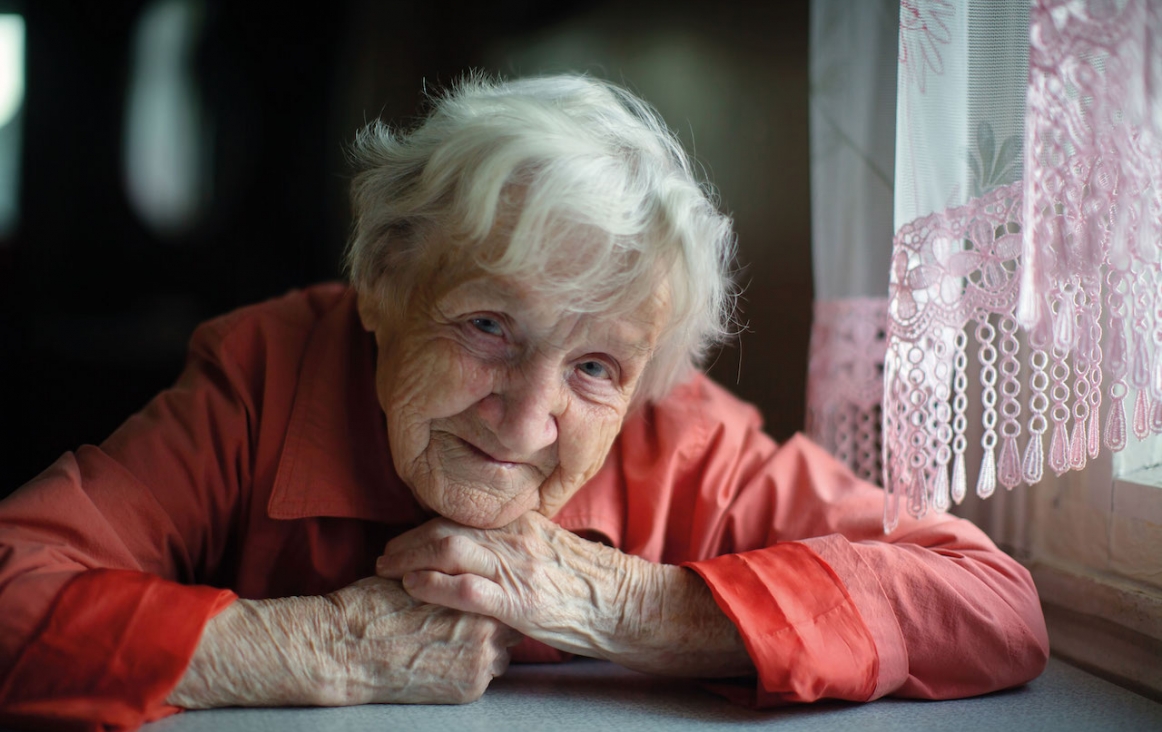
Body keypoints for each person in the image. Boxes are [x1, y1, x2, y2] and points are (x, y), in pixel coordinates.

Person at [0, 74, 1048, 731]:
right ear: (384, 282)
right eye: (488, 327)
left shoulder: (681, 437)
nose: (524, 419)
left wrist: (635, 607)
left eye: (595, 366)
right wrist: (317, 648)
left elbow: (990, 606)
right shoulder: (267, 370)